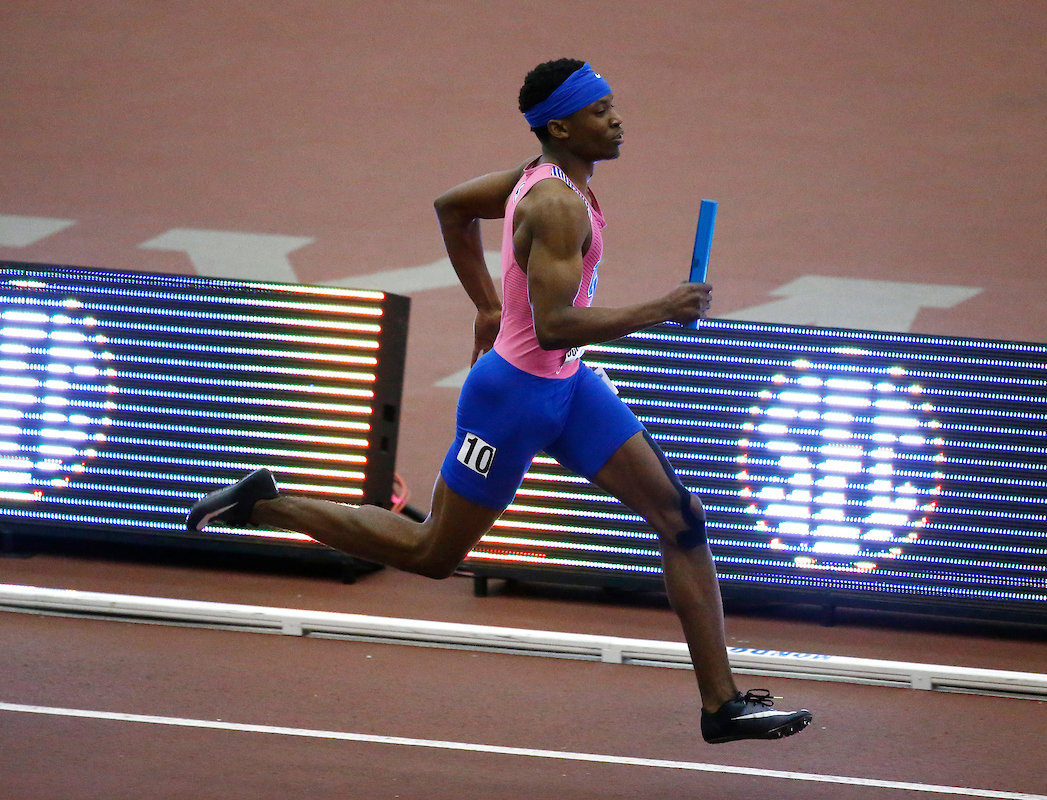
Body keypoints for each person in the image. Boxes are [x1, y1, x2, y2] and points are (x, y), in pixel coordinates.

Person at [187, 58, 812, 744]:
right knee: (432, 554)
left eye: (613, 105)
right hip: (512, 400)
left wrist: (488, 305)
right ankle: (264, 501)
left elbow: (451, 210)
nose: (617, 118)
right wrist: (662, 307)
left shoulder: (544, 180)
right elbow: (554, 324)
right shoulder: (554, 204)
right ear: (561, 125)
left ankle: (720, 706)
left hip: (569, 388)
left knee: (681, 517)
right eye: (600, 110)